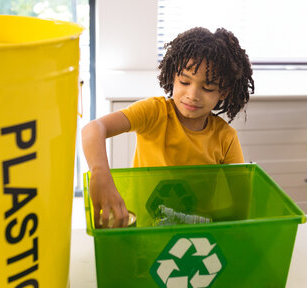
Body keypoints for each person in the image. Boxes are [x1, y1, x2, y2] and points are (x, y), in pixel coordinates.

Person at [81, 27, 254, 228]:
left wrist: (210, 223)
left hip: (194, 239)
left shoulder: (226, 137)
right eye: (184, 81)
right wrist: (100, 172)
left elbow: (241, 204)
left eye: (207, 88)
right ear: (173, 77)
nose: (193, 94)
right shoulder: (154, 112)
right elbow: (93, 128)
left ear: (223, 92)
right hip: (143, 231)